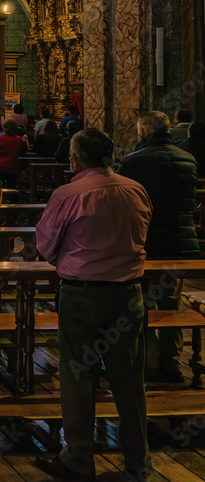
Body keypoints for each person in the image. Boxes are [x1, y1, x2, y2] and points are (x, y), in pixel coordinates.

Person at [35, 128, 152, 482]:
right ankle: (138, 460)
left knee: (78, 374)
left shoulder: (69, 194)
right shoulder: (135, 189)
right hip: (128, 294)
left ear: (76, 158)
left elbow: (44, 244)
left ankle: (79, 458)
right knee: (130, 379)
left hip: (82, 294)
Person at [117, 111, 199, 383]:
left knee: (143, 306)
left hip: (147, 241)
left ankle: (150, 362)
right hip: (179, 242)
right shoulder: (188, 160)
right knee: (171, 304)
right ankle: (173, 364)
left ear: (143, 132)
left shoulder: (132, 161)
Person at [0, 118, 23, 187]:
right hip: (12, 167)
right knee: (12, 186)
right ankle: (12, 197)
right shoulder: (18, 139)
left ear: (4, 128)